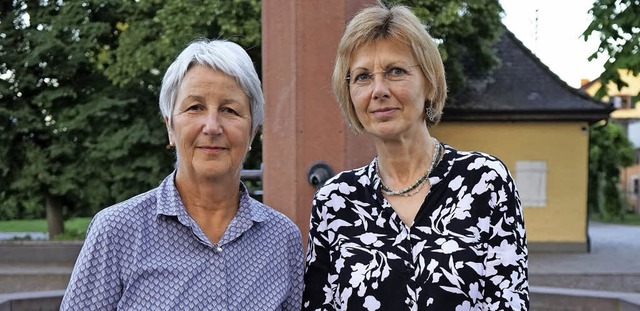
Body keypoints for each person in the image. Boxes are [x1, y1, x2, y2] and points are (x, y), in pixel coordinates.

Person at [302, 3, 529, 310]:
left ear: (430, 84)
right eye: (363, 77)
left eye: (396, 71)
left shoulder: (484, 182)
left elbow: (509, 302)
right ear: (350, 95)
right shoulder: (335, 201)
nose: (378, 90)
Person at [61, 39, 304, 310]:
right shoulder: (118, 231)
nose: (212, 126)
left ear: (253, 133)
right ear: (170, 127)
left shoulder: (282, 239)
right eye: (195, 107)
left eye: (229, 110)